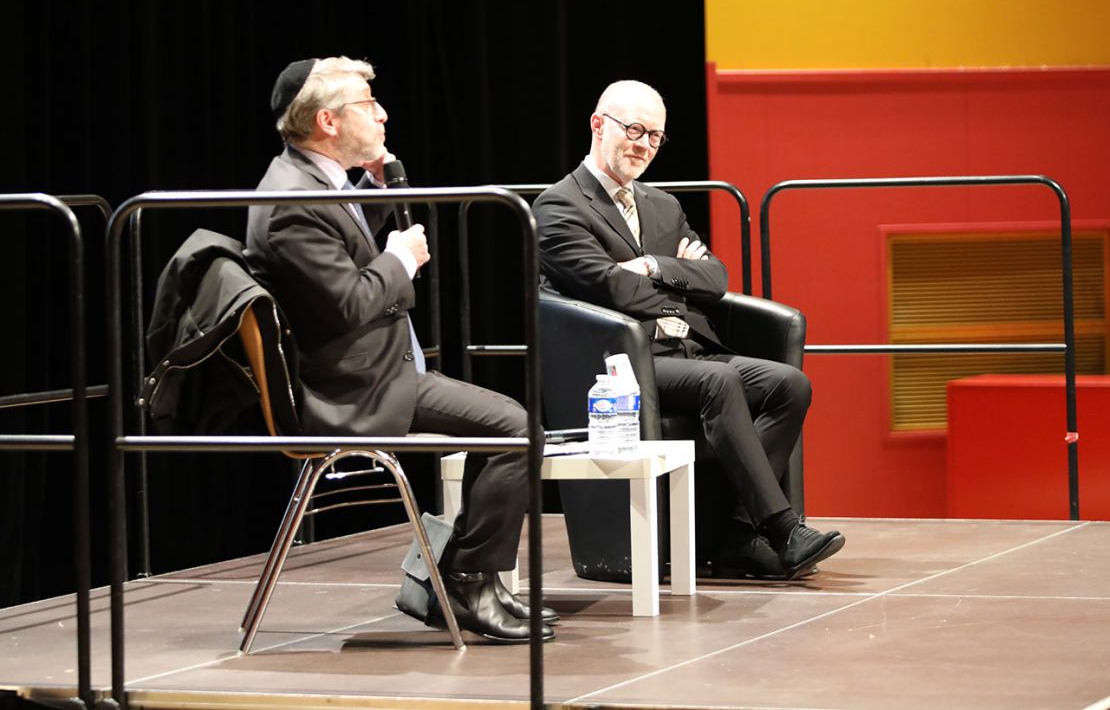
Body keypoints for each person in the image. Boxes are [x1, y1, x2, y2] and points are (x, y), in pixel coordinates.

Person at [245, 56, 555, 643]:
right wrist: (400, 259)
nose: (383, 113)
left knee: (516, 428)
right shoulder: (290, 203)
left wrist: (385, 189)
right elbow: (346, 302)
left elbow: (349, 251)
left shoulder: (319, 181)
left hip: (380, 369)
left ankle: (470, 581)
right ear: (329, 122)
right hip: (352, 389)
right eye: (368, 103)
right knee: (516, 431)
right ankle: (463, 580)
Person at [533, 79, 844, 580]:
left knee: (789, 385)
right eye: (634, 130)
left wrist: (653, 267)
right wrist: (676, 282)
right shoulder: (559, 206)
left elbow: (714, 279)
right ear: (598, 125)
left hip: (687, 351)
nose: (643, 145)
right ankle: (782, 529)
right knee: (718, 383)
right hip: (621, 367)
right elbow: (608, 287)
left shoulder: (663, 206)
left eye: (654, 137)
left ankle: (737, 536)